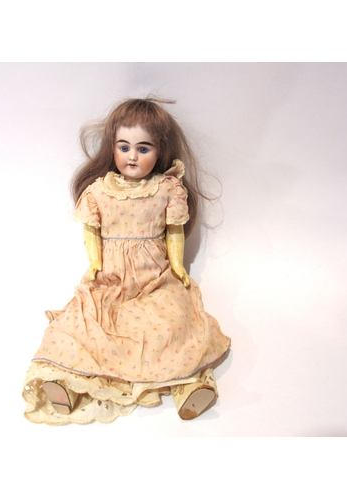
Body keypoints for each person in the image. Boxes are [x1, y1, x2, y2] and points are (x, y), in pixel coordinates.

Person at [22, 97, 230, 425]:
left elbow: (174, 232)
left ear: (160, 151)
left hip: (155, 279)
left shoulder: (167, 189)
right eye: (124, 147)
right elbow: (91, 233)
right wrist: (95, 264)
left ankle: (190, 386)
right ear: (113, 148)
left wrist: (177, 266)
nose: (132, 156)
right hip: (111, 279)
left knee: (174, 324)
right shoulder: (99, 192)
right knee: (82, 324)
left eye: (143, 148)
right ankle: (65, 383)